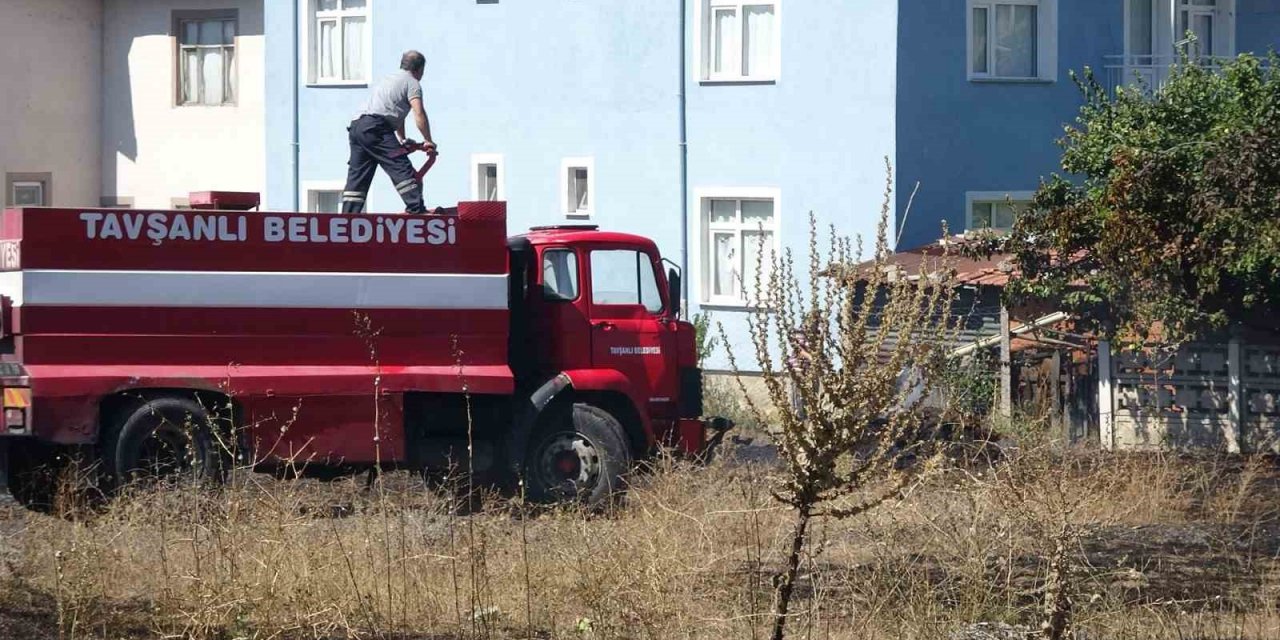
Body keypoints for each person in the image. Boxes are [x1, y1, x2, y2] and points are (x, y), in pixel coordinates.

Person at [341, 50, 437, 214]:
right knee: (400, 165)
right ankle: (417, 209)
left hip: (357, 127)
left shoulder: (389, 80)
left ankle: (347, 218)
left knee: (358, 174)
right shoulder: (412, 83)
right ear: (419, 69)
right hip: (376, 128)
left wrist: (403, 139)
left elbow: (396, 114)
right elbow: (418, 112)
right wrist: (428, 140)